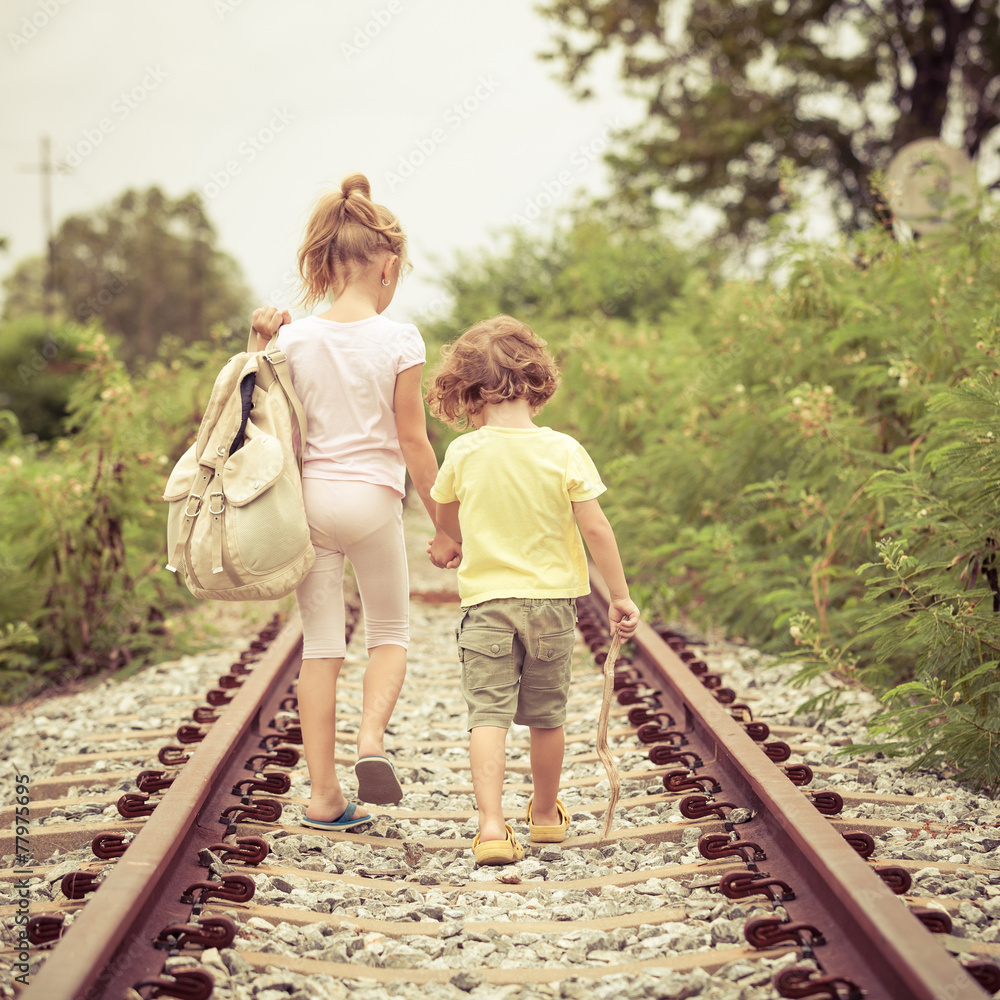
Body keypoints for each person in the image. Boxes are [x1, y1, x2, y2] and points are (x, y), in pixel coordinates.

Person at [250, 173, 460, 832]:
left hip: (310, 505)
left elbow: (261, 422)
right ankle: (371, 740)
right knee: (390, 635)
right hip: (373, 501)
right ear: (388, 265)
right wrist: (444, 524)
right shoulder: (401, 340)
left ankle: (322, 796)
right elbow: (413, 441)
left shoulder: (290, 341)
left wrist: (259, 345)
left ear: (321, 264)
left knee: (321, 648)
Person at [425, 315, 640, 865]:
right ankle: (544, 816)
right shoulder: (563, 450)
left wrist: (448, 544)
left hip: (488, 606)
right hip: (552, 607)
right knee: (547, 716)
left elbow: (447, 519)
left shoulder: (464, 454)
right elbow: (595, 528)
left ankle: (492, 828)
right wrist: (619, 594)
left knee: (488, 717)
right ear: (537, 382)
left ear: (467, 391)